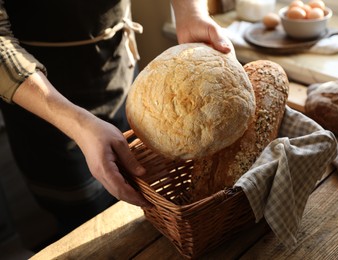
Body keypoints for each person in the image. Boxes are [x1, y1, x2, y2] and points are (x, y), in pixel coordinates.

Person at [0, 0, 233, 238]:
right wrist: (78, 124)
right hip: (45, 101)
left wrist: (190, 13)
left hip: (120, 69)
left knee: (139, 199)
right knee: (84, 222)